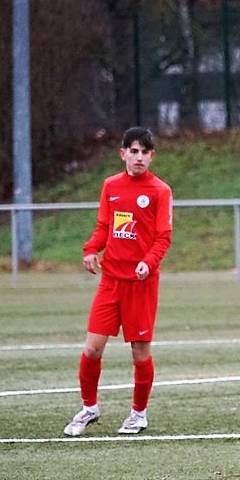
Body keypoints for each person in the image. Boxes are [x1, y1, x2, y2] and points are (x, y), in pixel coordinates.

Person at [64, 127, 173, 436]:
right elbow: (104, 227)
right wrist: (90, 250)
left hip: (141, 284)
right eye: (133, 151)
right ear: (122, 153)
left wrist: (147, 262)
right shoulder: (111, 186)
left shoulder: (160, 191)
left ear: (152, 156)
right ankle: (89, 408)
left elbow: (163, 238)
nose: (139, 157)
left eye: (145, 152)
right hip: (111, 280)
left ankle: (138, 414)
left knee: (140, 353)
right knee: (92, 348)